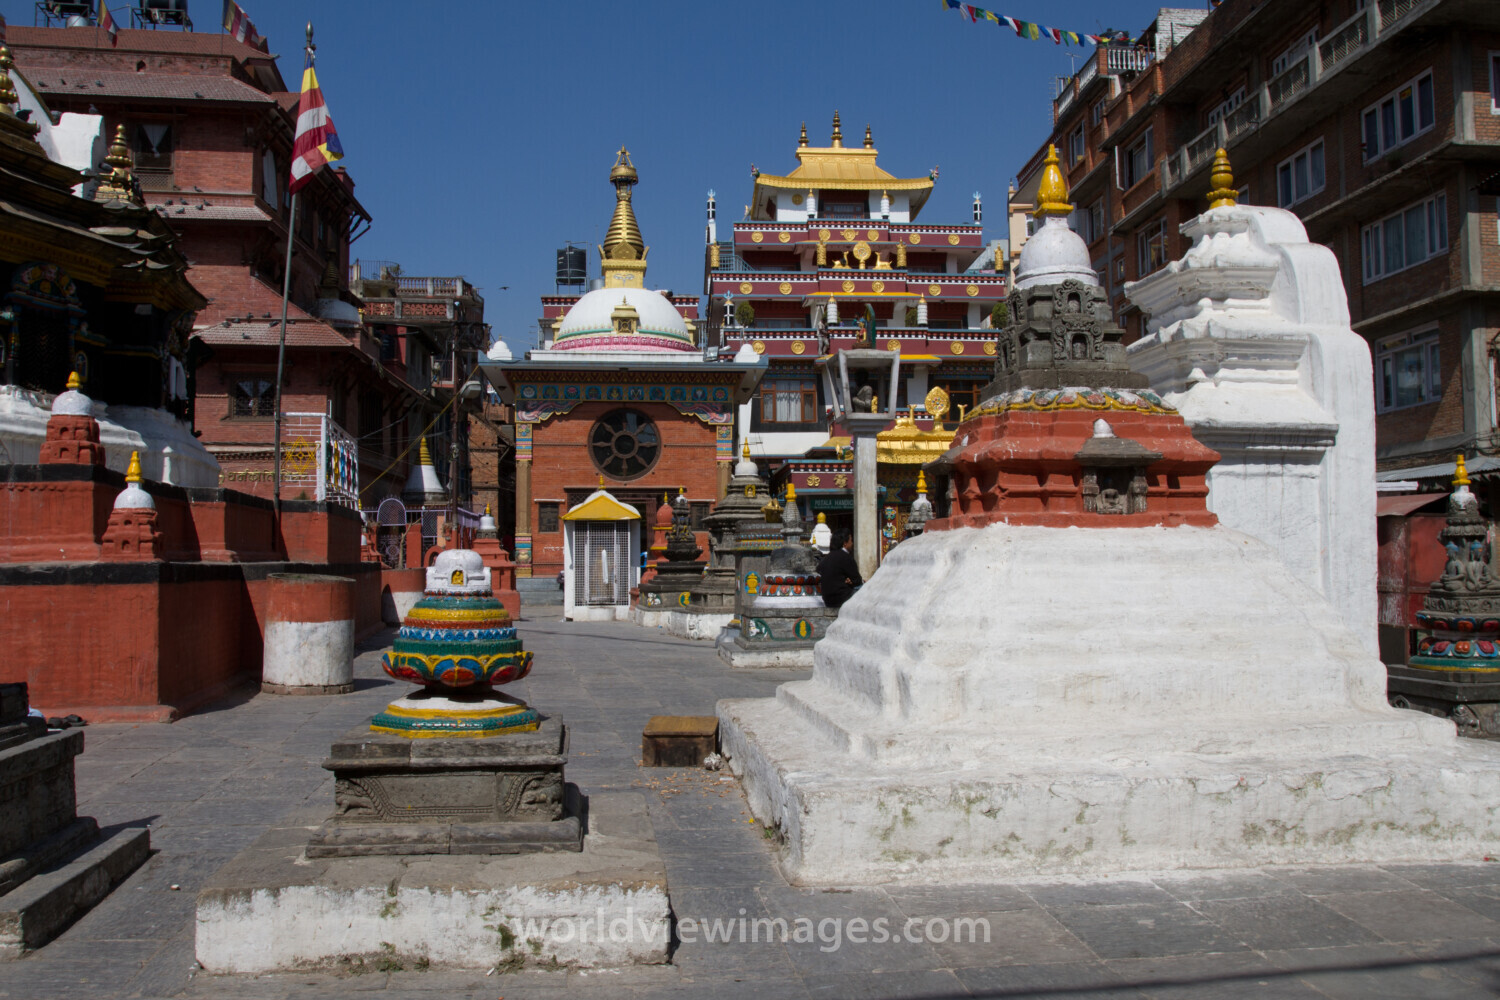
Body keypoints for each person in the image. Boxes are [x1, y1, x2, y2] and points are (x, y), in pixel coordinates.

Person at [817, 530, 862, 608]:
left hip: (827, 599)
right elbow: (857, 581)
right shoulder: (846, 557)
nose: (852, 543)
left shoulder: (826, 558)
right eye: (851, 541)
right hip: (843, 597)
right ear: (845, 543)